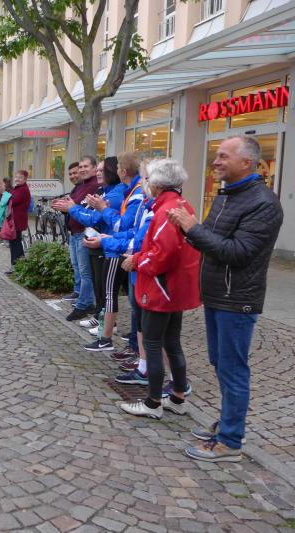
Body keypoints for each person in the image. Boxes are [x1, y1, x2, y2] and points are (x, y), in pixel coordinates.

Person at [167, 136, 284, 462]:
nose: (215, 161)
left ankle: (230, 441)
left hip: (237, 299)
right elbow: (209, 240)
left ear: (247, 163)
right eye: (216, 155)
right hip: (217, 294)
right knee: (221, 364)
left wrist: (192, 228)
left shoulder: (263, 203)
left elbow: (237, 252)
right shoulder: (226, 195)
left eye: (223, 156)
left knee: (233, 369)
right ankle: (227, 425)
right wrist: (184, 229)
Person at [118, 158, 200, 421]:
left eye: (147, 179)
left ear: (157, 183)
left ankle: (153, 402)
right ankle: (177, 397)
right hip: (173, 287)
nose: (145, 184)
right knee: (172, 342)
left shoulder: (165, 210)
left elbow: (162, 254)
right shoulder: (180, 204)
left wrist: (136, 260)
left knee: (153, 343)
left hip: (161, 288)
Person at [77, 157, 128, 352]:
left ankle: (106, 336)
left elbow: (99, 219)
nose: (98, 173)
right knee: (105, 290)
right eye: (97, 170)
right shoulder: (108, 191)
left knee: (109, 292)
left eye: (101, 170)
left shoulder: (117, 194)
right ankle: (106, 329)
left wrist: (72, 208)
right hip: (108, 245)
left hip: (113, 248)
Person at [53, 156, 99, 321]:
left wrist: (69, 206)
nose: (82, 169)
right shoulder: (82, 186)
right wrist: (64, 206)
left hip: (83, 232)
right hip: (75, 232)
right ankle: (86, 300)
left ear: (94, 168)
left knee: (85, 272)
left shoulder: (94, 185)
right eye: (81, 167)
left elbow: (79, 207)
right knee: (80, 269)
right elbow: (72, 205)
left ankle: (84, 305)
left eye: (86, 166)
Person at [60, 162, 80, 302]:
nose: (72, 176)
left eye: (75, 173)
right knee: (76, 265)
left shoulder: (84, 188)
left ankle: (81, 295)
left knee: (82, 268)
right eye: (70, 174)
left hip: (80, 232)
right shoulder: (76, 189)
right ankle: (77, 291)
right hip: (73, 231)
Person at [5, 170, 30, 274]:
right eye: (16, 177)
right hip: (15, 219)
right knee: (16, 242)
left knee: (15, 243)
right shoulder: (18, 188)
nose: (17, 179)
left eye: (20, 177)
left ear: (25, 179)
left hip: (17, 220)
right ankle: (20, 265)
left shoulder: (23, 189)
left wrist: (6, 195)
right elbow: (9, 198)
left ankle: (15, 266)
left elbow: (12, 200)